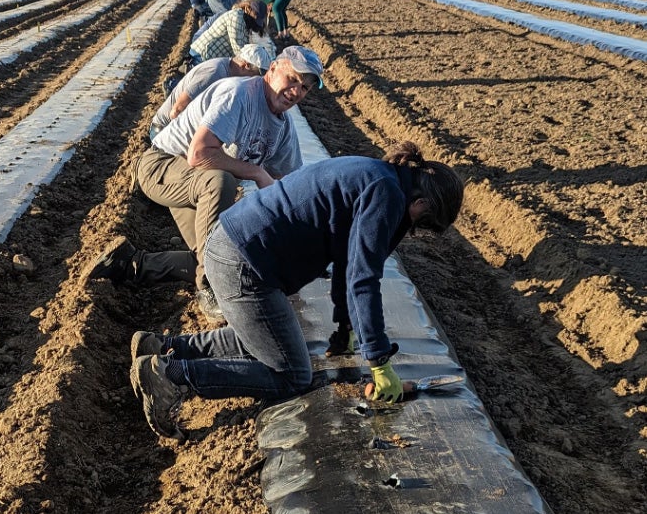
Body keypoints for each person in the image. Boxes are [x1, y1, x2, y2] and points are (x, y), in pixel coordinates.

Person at [129, 141, 466, 440]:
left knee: (270, 338)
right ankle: (172, 376)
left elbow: (348, 262)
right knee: (293, 374)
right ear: (422, 203)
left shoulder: (379, 176)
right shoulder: (388, 195)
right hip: (244, 263)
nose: (412, 229)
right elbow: (363, 279)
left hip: (233, 244)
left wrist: (345, 329)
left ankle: (164, 346)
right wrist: (378, 362)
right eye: (422, 223)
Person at [88, 46, 325, 323]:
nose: (296, 91)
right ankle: (208, 290)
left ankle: (128, 264)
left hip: (196, 183)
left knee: (229, 260)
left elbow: (288, 188)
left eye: (305, 88)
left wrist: (309, 241)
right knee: (220, 181)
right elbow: (199, 154)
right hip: (161, 166)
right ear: (272, 69)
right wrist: (258, 173)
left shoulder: (283, 128)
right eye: (293, 79)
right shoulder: (239, 94)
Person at [151, 43, 274, 138]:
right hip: (164, 131)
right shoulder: (214, 73)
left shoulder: (229, 74)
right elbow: (176, 111)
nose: (256, 81)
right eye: (256, 75)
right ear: (245, 65)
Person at [189, 0, 269, 63]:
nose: (255, 25)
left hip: (210, 59)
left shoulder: (245, 26)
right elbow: (239, 50)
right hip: (201, 56)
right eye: (255, 20)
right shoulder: (236, 16)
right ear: (248, 9)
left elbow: (244, 47)